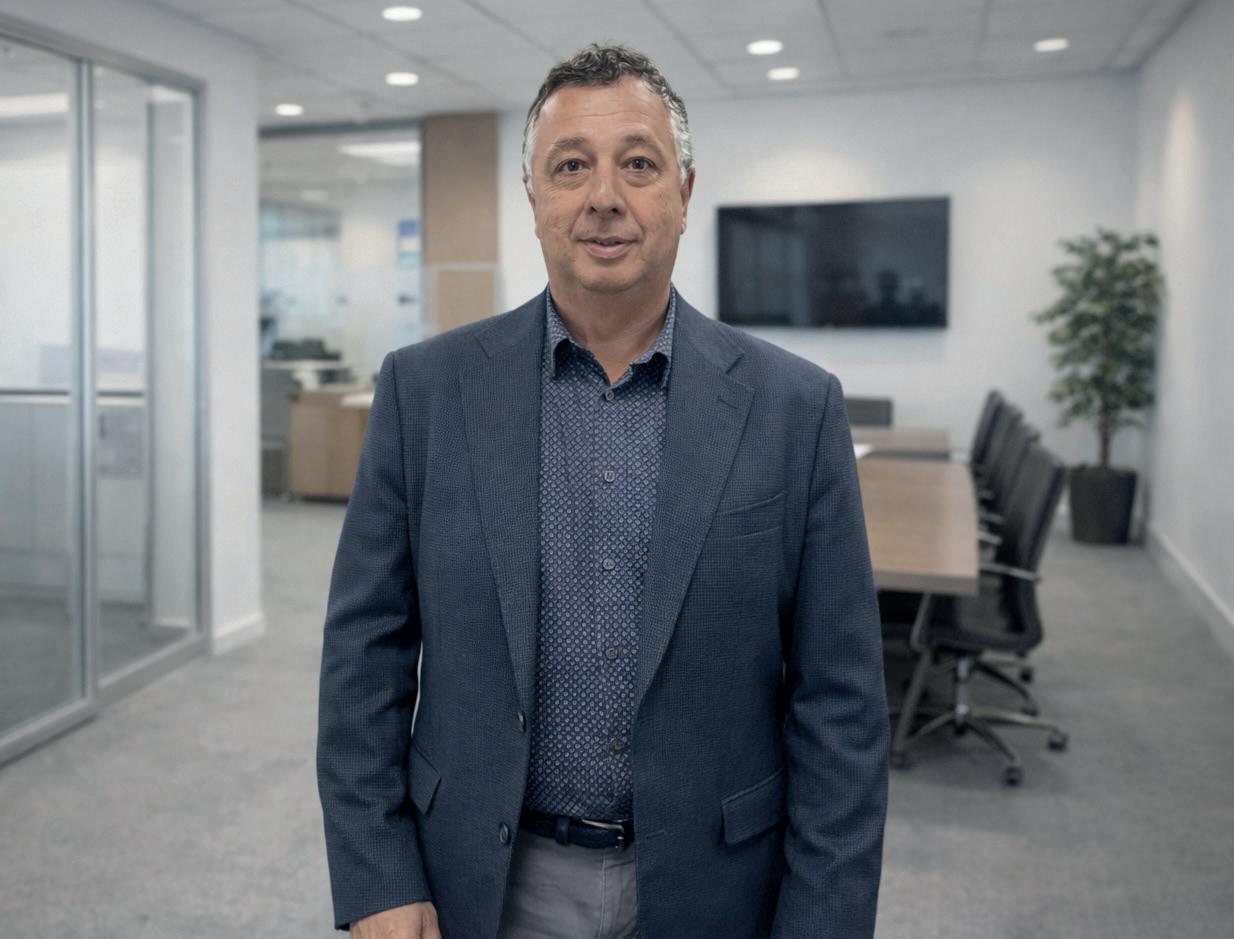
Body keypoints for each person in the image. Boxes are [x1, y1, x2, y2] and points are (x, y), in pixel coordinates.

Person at [317, 44, 888, 939]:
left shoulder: (795, 408)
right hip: (483, 882)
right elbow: (364, 656)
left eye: (639, 164)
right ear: (533, 198)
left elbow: (842, 706)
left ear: (685, 193)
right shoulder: (424, 393)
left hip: (717, 888)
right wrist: (377, 874)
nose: (604, 196)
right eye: (571, 165)